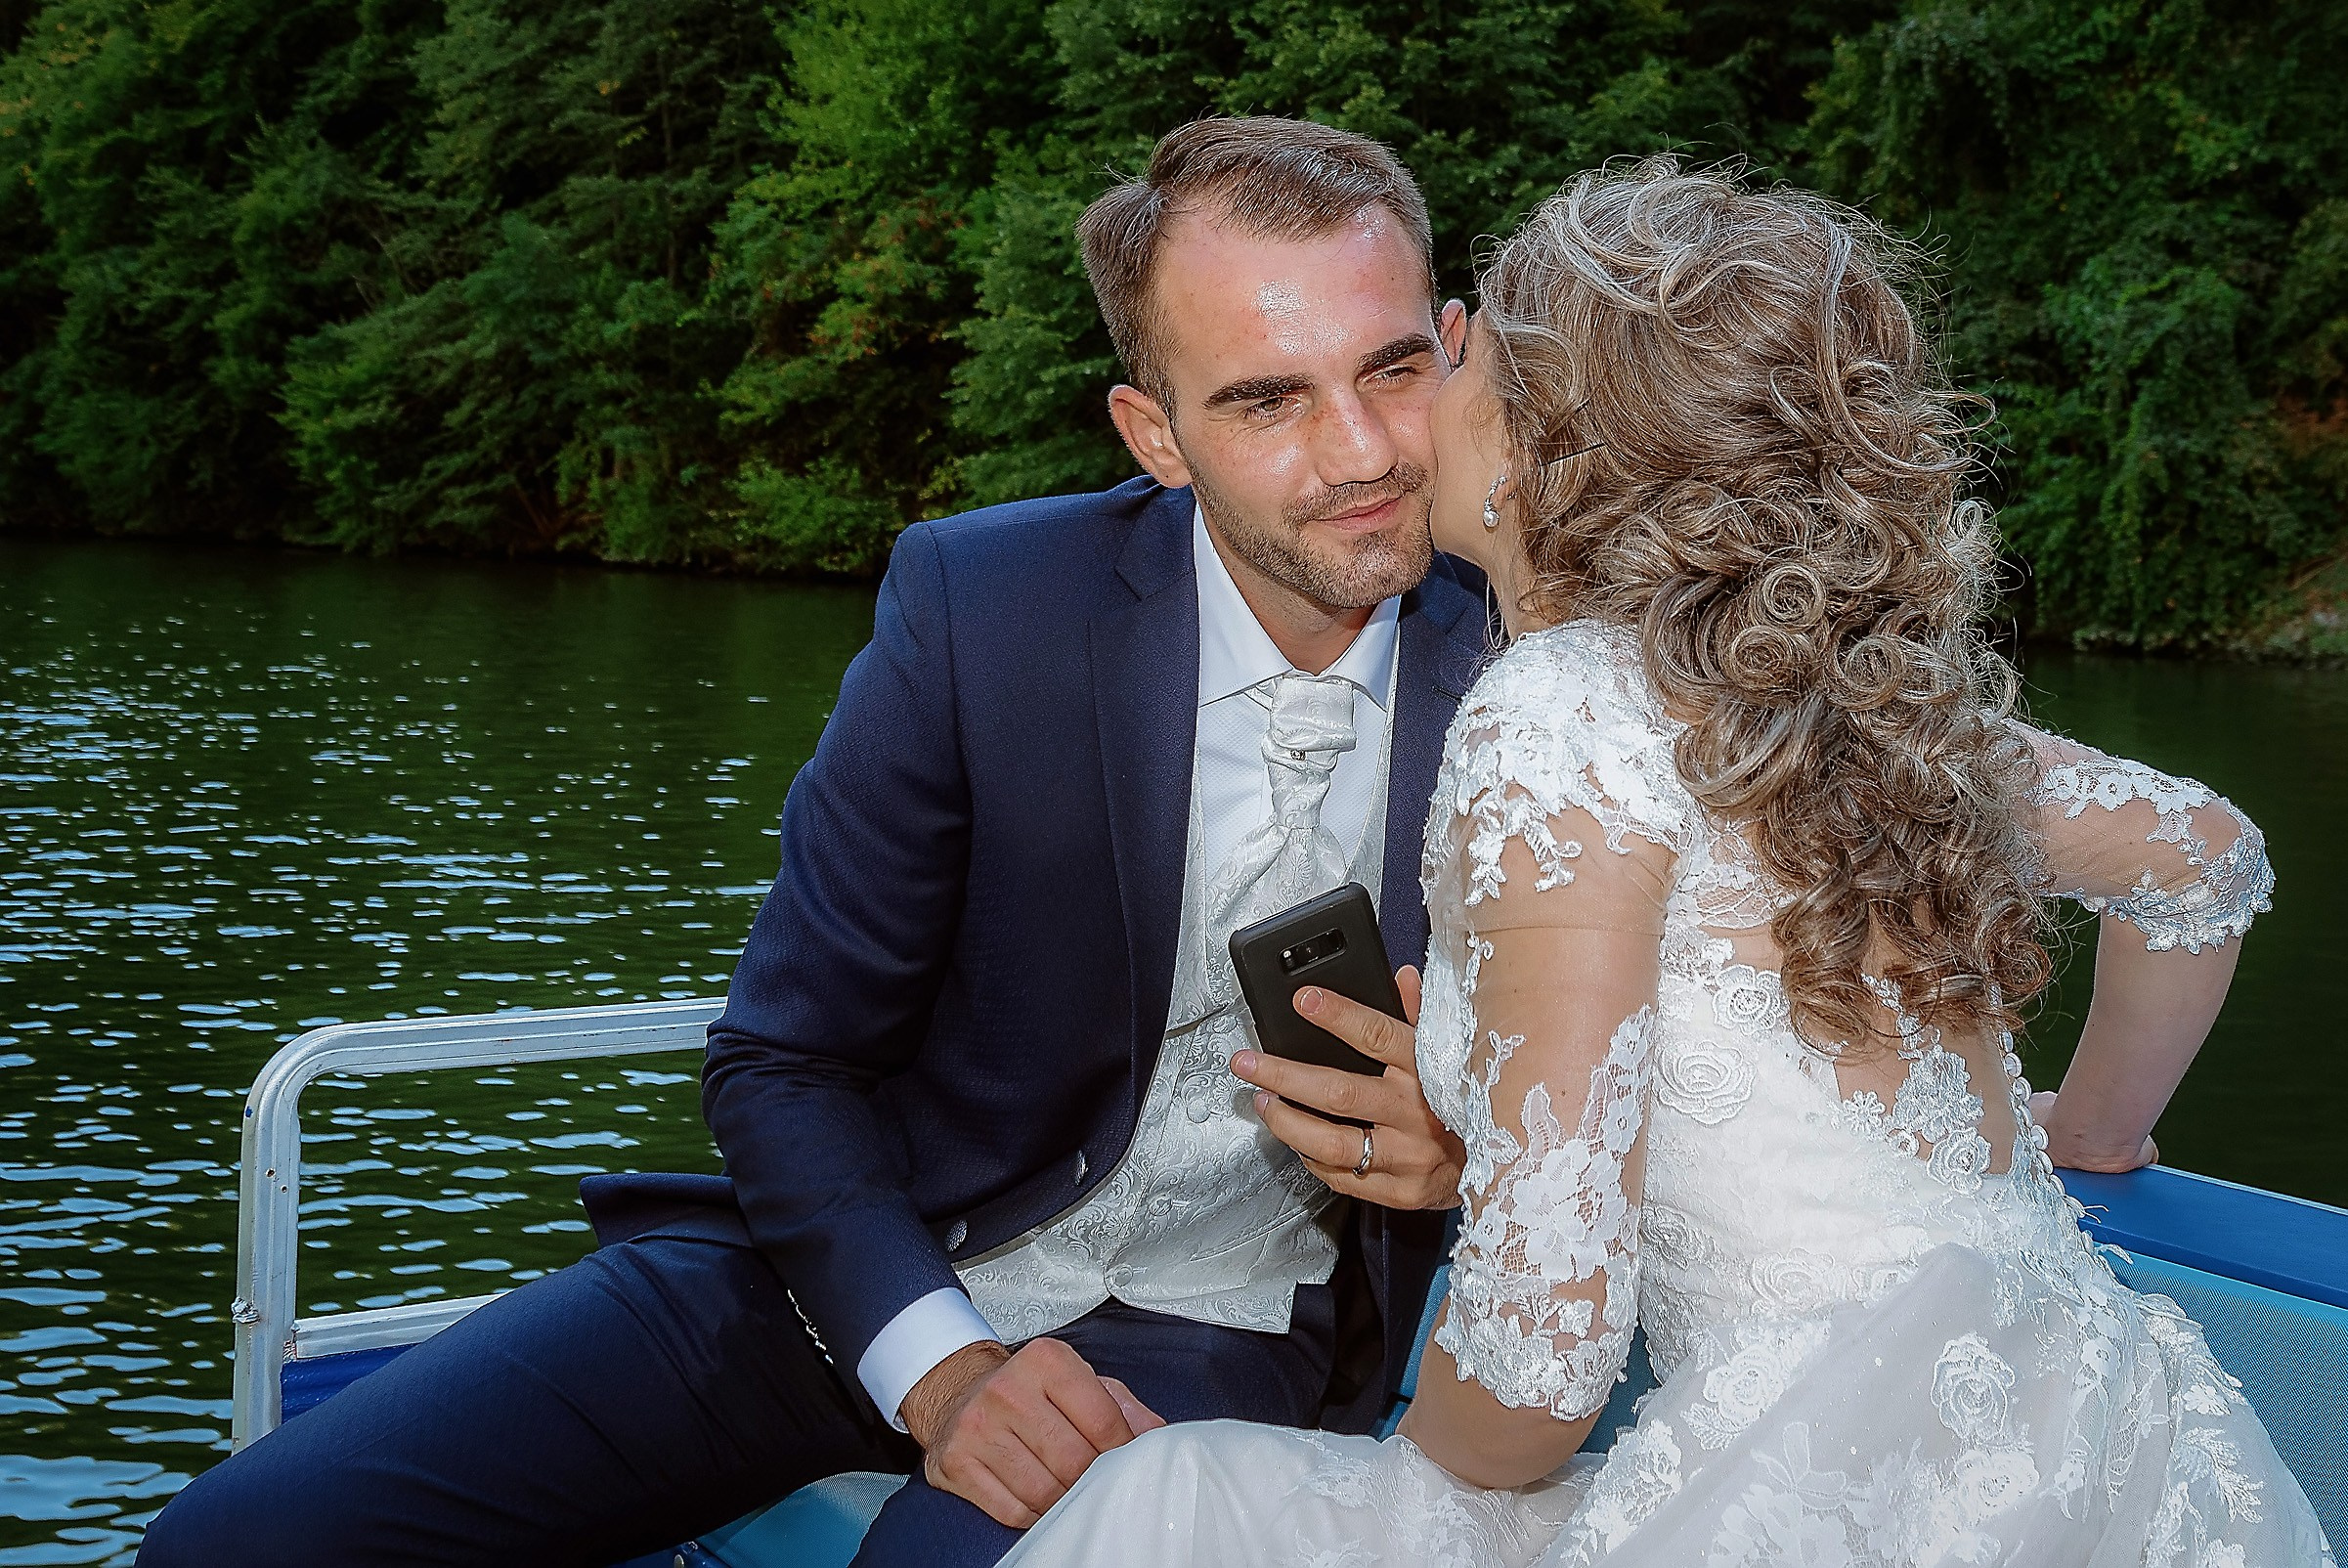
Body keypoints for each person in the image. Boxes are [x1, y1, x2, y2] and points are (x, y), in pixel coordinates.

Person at [138, 118, 1495, 1568]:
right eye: (1267, 400)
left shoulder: (1548, 657)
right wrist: (941, 1365)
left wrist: (1472, 1149)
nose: (1358, 454)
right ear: (1152, 435)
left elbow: (1679, 1085)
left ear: (1458, 350)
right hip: (844, 1266)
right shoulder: (981, 608)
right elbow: (785, 1060)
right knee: (238, 1545)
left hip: (1215, 1323)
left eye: (1393, 370)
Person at [993, 158, 2337, 1567]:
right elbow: (2204, 860)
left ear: (1531, 443)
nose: (1411, 406)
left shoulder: (1556, 716)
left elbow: (1534, 1383)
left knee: (1162, 1507)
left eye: (1455, 357)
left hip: (1820, 1484)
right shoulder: (1861, 704)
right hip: (2093, 1435)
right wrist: (2095, 1135)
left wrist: (1408, 1483)